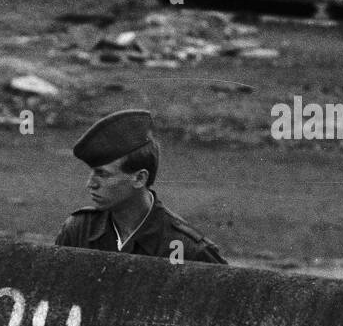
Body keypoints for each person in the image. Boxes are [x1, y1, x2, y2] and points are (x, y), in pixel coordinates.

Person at [55, 109, 226, 264]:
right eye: (92, 173)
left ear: (139, 178)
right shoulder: (79, 231)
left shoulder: (186, 248)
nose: (90, 184)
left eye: (103, 174)